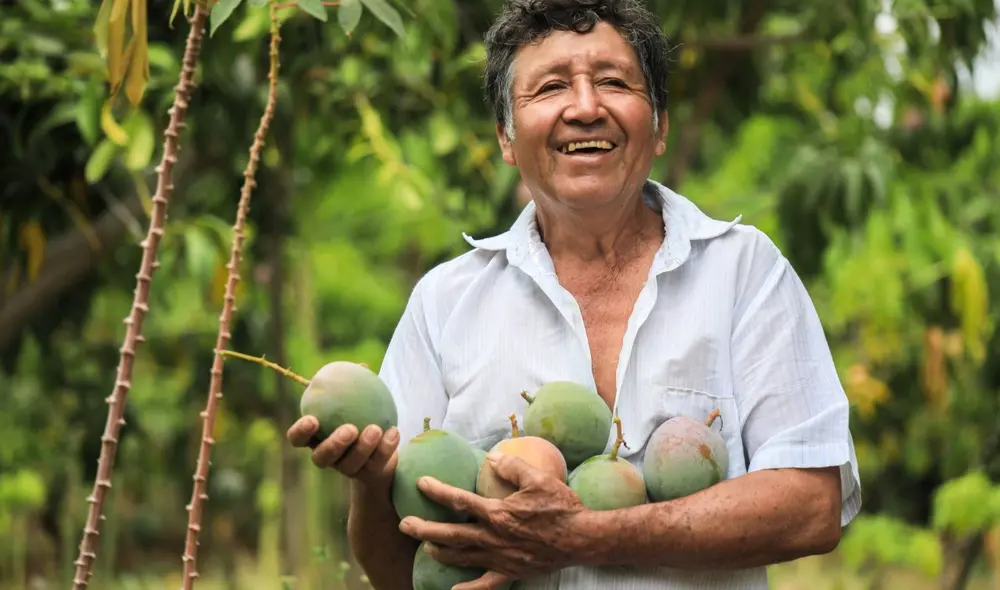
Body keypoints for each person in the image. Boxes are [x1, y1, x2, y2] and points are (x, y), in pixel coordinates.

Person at [286, 0, 862, 588]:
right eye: (551, 87)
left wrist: (584, 536)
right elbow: (400, 573)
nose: (585, 108)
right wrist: (370, 482)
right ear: (506, 140)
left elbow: (812, 506)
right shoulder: (445, 304)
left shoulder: (743, 272)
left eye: (613, 82)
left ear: (660, 125)